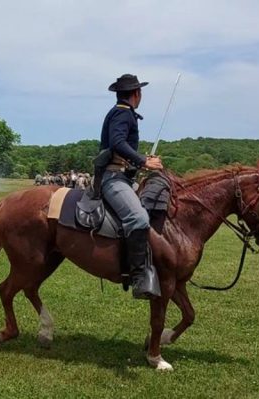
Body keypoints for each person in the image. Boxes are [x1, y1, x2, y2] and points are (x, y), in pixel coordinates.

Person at [100, 73, 163, 299]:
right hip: (113, 178)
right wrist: (143, 160)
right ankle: (138, 276)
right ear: (137, 93)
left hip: (124, 176)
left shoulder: (124, 113)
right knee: (139, 218)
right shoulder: (122, 113)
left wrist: (139, 163)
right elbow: (117, 142)